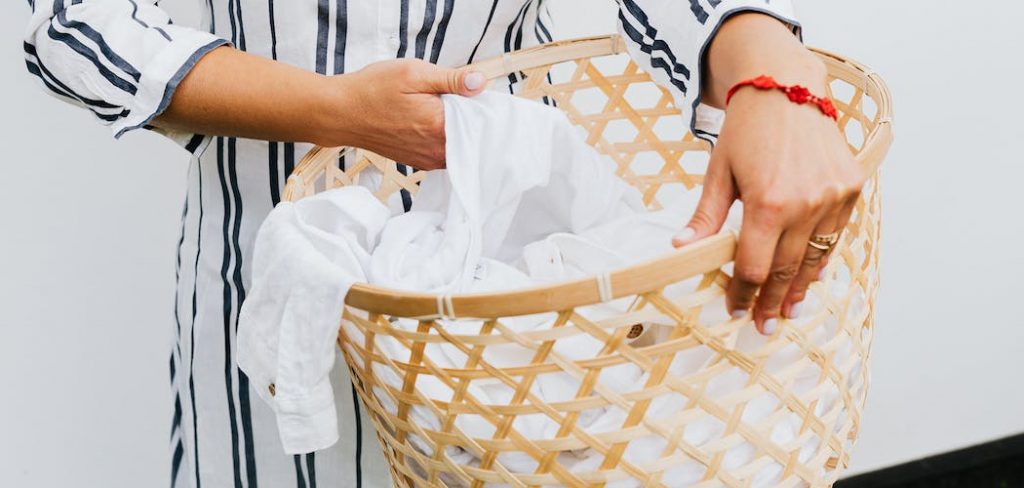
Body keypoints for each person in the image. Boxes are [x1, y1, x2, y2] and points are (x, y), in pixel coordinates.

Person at [23, 0, 864, 486]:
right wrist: (330, 111)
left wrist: (768, 71)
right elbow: (71, 24)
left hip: (508, 306)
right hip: (275, 276)